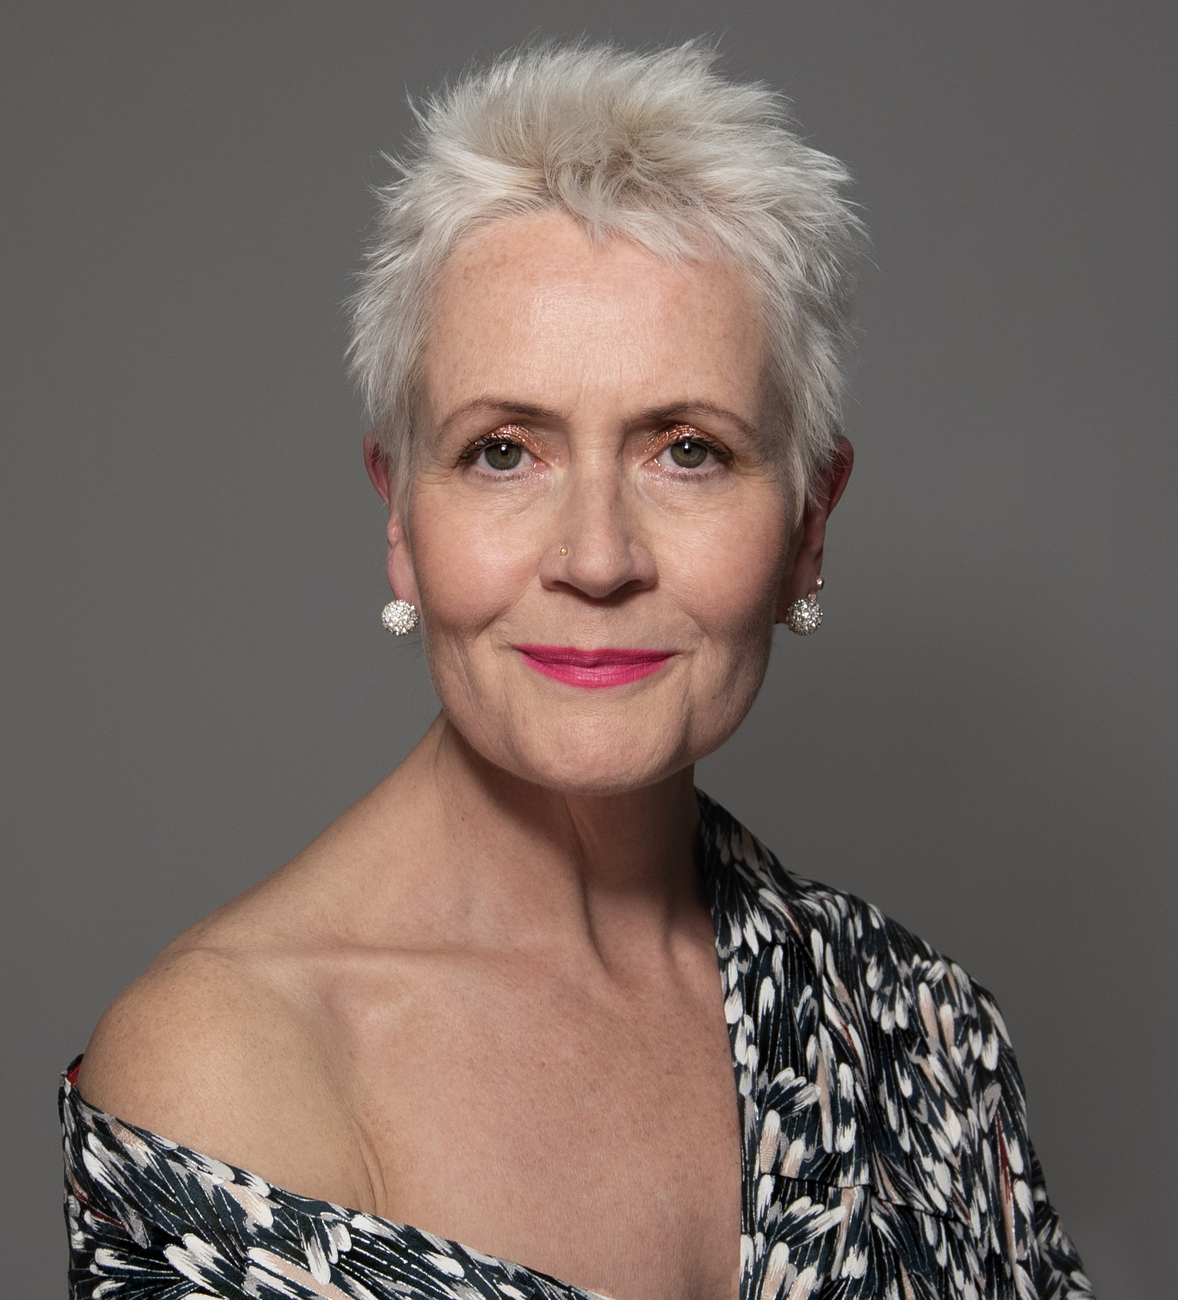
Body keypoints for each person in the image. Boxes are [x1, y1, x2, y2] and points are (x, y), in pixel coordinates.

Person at [63, 42, 1093, 1300]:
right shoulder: (229, 1066)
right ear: (400, 518)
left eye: (687, 450)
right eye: (503, 451)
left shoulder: (921, 1031)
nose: (597, 559)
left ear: (808, 524)